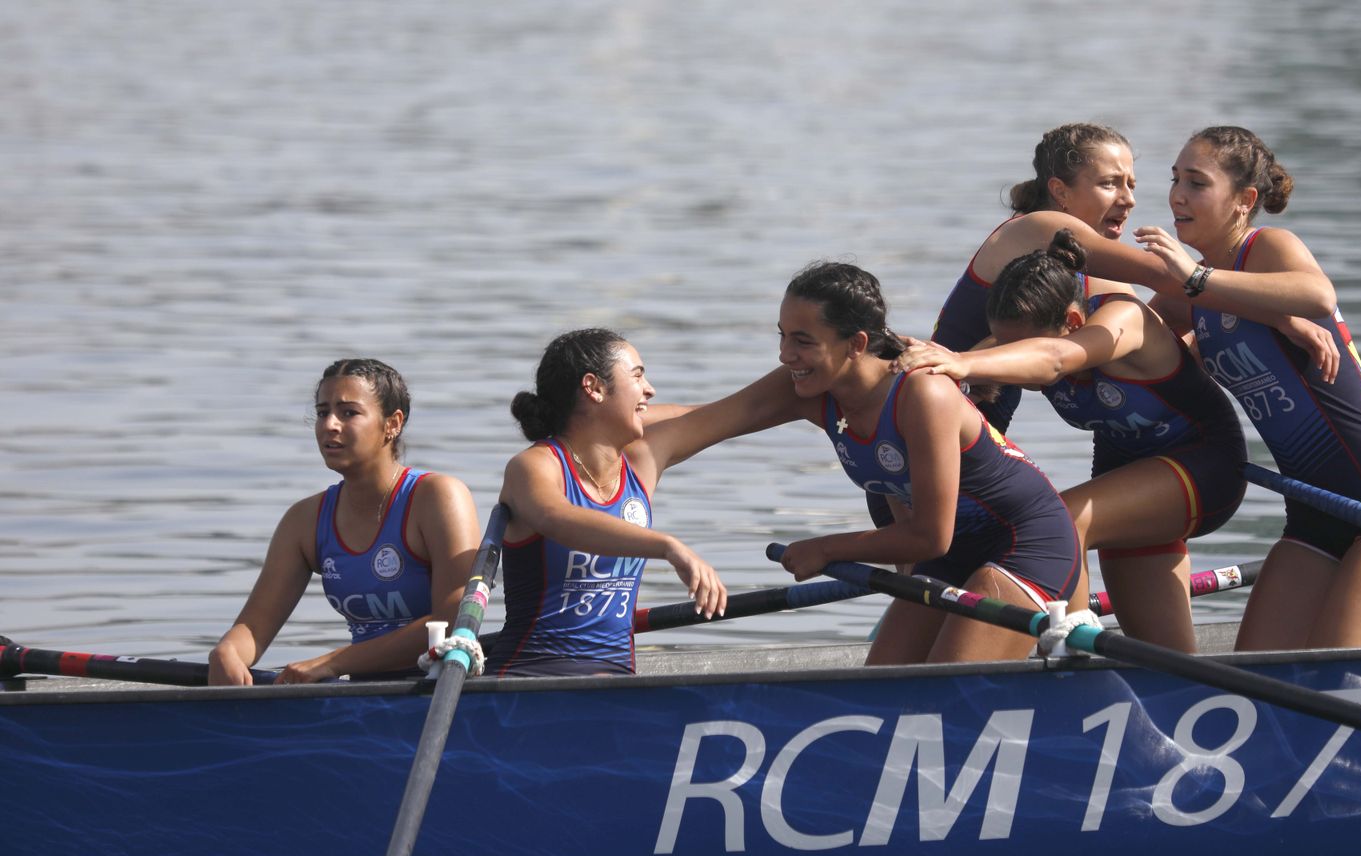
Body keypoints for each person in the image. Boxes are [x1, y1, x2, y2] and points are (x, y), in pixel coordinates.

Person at [1132, 125, 1361, 650]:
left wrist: (1195, 281)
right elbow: (1125, 339)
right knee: (1255, 680)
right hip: (1313, 512)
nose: (1177, 196)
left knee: (1336, 680)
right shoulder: (1193, 297)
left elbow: (1318, 296)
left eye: (1197, 183)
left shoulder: (1268, 248)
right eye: (1175, 180)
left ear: (1244, 200)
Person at [713, 261, 1088, 664]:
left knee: (940, 694)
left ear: (856, 343)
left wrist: (824, 548)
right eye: (783, 337)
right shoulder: (821, 392)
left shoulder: (923, 393)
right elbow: (695, 419)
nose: (786, 356)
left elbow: (929, 536)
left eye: (802, 341)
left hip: (1028, 544)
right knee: (884, 686)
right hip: (955, 554)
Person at [896, 228, 1247, 652]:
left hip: (1206, 466)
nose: (1006, 352)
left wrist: (963, 361)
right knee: (1163, 658)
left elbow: (1053, 359)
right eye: (1002, 341)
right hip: (1128, 484)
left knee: (1064, 518)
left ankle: (1072, 659)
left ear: (1073, 323)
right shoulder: (1025, 335)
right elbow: (964, 378)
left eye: (1015, 346)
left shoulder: (1124, 320)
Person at [487, 328, 746, 677]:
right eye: (638, 376)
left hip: (616, 680)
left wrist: (825, 386)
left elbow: (746, 409)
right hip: (529, 676)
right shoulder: (534, 466)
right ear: (593, 387)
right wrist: (668, 546)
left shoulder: (640, 462)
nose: (650, 389)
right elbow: (557, 518)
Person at [208, 359, 481, 685]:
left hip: (438, 687)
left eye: (348, 413)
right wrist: (227, 651)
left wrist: (332, 663)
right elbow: (254, 627)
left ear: (392, 424)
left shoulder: (439, 497)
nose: (330, 425)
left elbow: (455, 620)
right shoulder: (304, 520)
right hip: (363, 691)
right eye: (323, 412)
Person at [928, 122, 1140, 435]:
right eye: (1110, 184)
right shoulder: (1039, 226)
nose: (1128, 199)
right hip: (940, 417)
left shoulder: (1072, 261)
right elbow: (1161, 275)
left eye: (1131, 185)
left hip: (971, 424)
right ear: (1060, 191)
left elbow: (1151, 320)